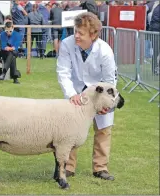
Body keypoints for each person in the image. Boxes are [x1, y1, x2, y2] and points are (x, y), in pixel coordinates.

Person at [56, 12, 118, 180]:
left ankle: (100, 168)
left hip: (100, 94)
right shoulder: (66, 44)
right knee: (70, 131)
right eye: (75, 31)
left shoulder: (105, 51)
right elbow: (63, 72)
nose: (76, 35)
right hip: (76, 92)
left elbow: (109, 81)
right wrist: (71, 94)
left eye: (80, 33)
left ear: (93, 34)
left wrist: (105, 105)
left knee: (103, 130)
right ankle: (68, 166)